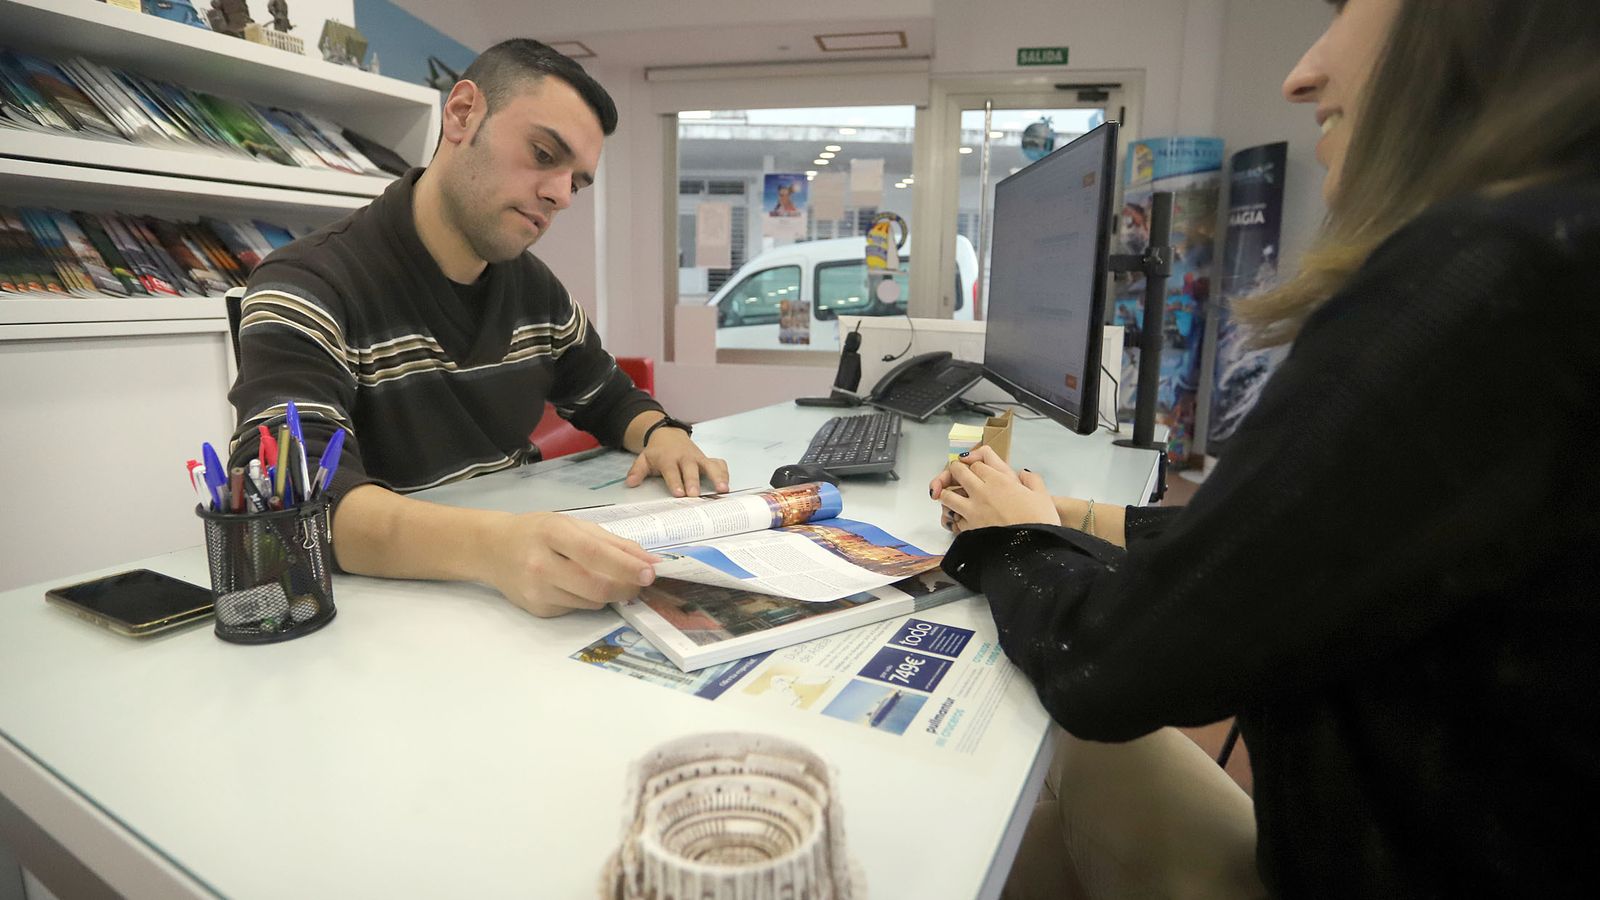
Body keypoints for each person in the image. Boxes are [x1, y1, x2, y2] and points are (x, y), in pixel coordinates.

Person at [931, 0, 1600, 896]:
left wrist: (1003, 539)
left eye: (1348, 9)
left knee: (1039, 764)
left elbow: (1110, 667)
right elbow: (1282, 551)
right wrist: (1063, 513)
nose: (1300, 74)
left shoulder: (1492, 276)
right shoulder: (1561, 252)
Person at [227, 39, 730, 619]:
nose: (560, 195)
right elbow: (296, 503)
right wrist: (497, 547)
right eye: (544, 154)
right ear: (463, 114)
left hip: (510, 601)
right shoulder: (307, 285)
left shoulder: (533, 288)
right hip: (381, 616)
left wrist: (660, 433)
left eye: (577, 182)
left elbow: (608, 395)